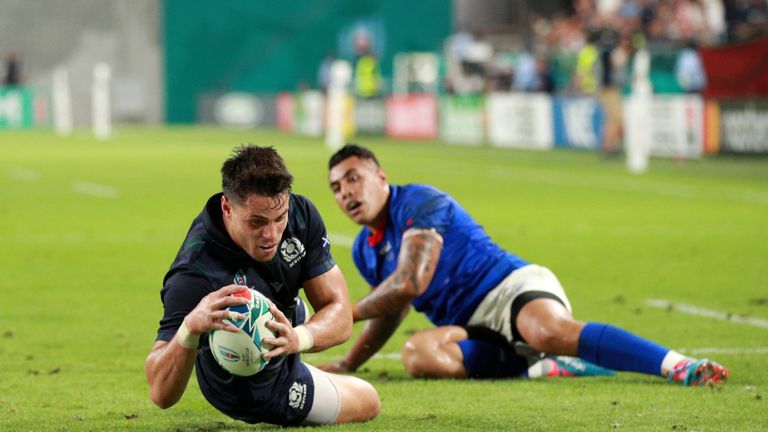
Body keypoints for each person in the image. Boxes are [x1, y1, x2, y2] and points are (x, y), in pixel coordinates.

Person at [321, 143, 729, 386]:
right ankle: (541, 366)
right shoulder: (364, 249)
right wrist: (347, 363)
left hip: (510, 289)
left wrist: (341, 314)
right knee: (418, 356)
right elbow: (393, 307)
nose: (346, 193)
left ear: (380, 176)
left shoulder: (419, 202)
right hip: (472, 327)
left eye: (354, 178)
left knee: (547, 330)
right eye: (337, 188)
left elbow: (408, 284)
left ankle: (677, 365)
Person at [145, 145, 380, 427]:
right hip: (248, 386)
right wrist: (189, 328)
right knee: (369, 398)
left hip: (280, 315)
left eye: (279, 219)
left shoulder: (300, 215)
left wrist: (298, 338)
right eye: (256, 222)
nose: (271, 235)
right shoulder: (195, 273)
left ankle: (290, 344)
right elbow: (160, 393)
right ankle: (294, 372)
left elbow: (340, 316)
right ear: (227, 208)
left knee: (297, 311)